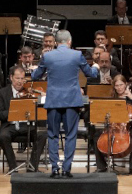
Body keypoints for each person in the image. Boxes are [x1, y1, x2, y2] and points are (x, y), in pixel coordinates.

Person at [31, 29, 98, 177]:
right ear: (69, 42)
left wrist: (35, 69)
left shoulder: (47, 56)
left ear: (56, 42)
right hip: (71, 101)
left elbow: (36, 76)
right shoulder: (77, 55)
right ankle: (67, 169)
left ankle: (55, 168)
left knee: (53, 134)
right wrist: (96, 67)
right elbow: (91, 74)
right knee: (70, 135)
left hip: (54, 100)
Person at [0, 66, 47, 173]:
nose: (20, 82)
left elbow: (39, 111)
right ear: (11, 78)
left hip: (26, 125)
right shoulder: (2, 93)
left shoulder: (29, 93)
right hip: (10, 125)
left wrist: (43, 97)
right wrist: (14, 112)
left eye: (22, 79)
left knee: (43, 135)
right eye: (17, 78)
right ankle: (13, 167)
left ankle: (32, 166)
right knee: (3, 136)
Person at [94, 75, 132, 175]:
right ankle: (102, 166)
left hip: (129, 126)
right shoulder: (112, 97)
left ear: (125, 84)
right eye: (116, 85)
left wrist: (131, 97)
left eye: (121, 85)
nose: (119, 88)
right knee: (96, 136)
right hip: (112, 126)